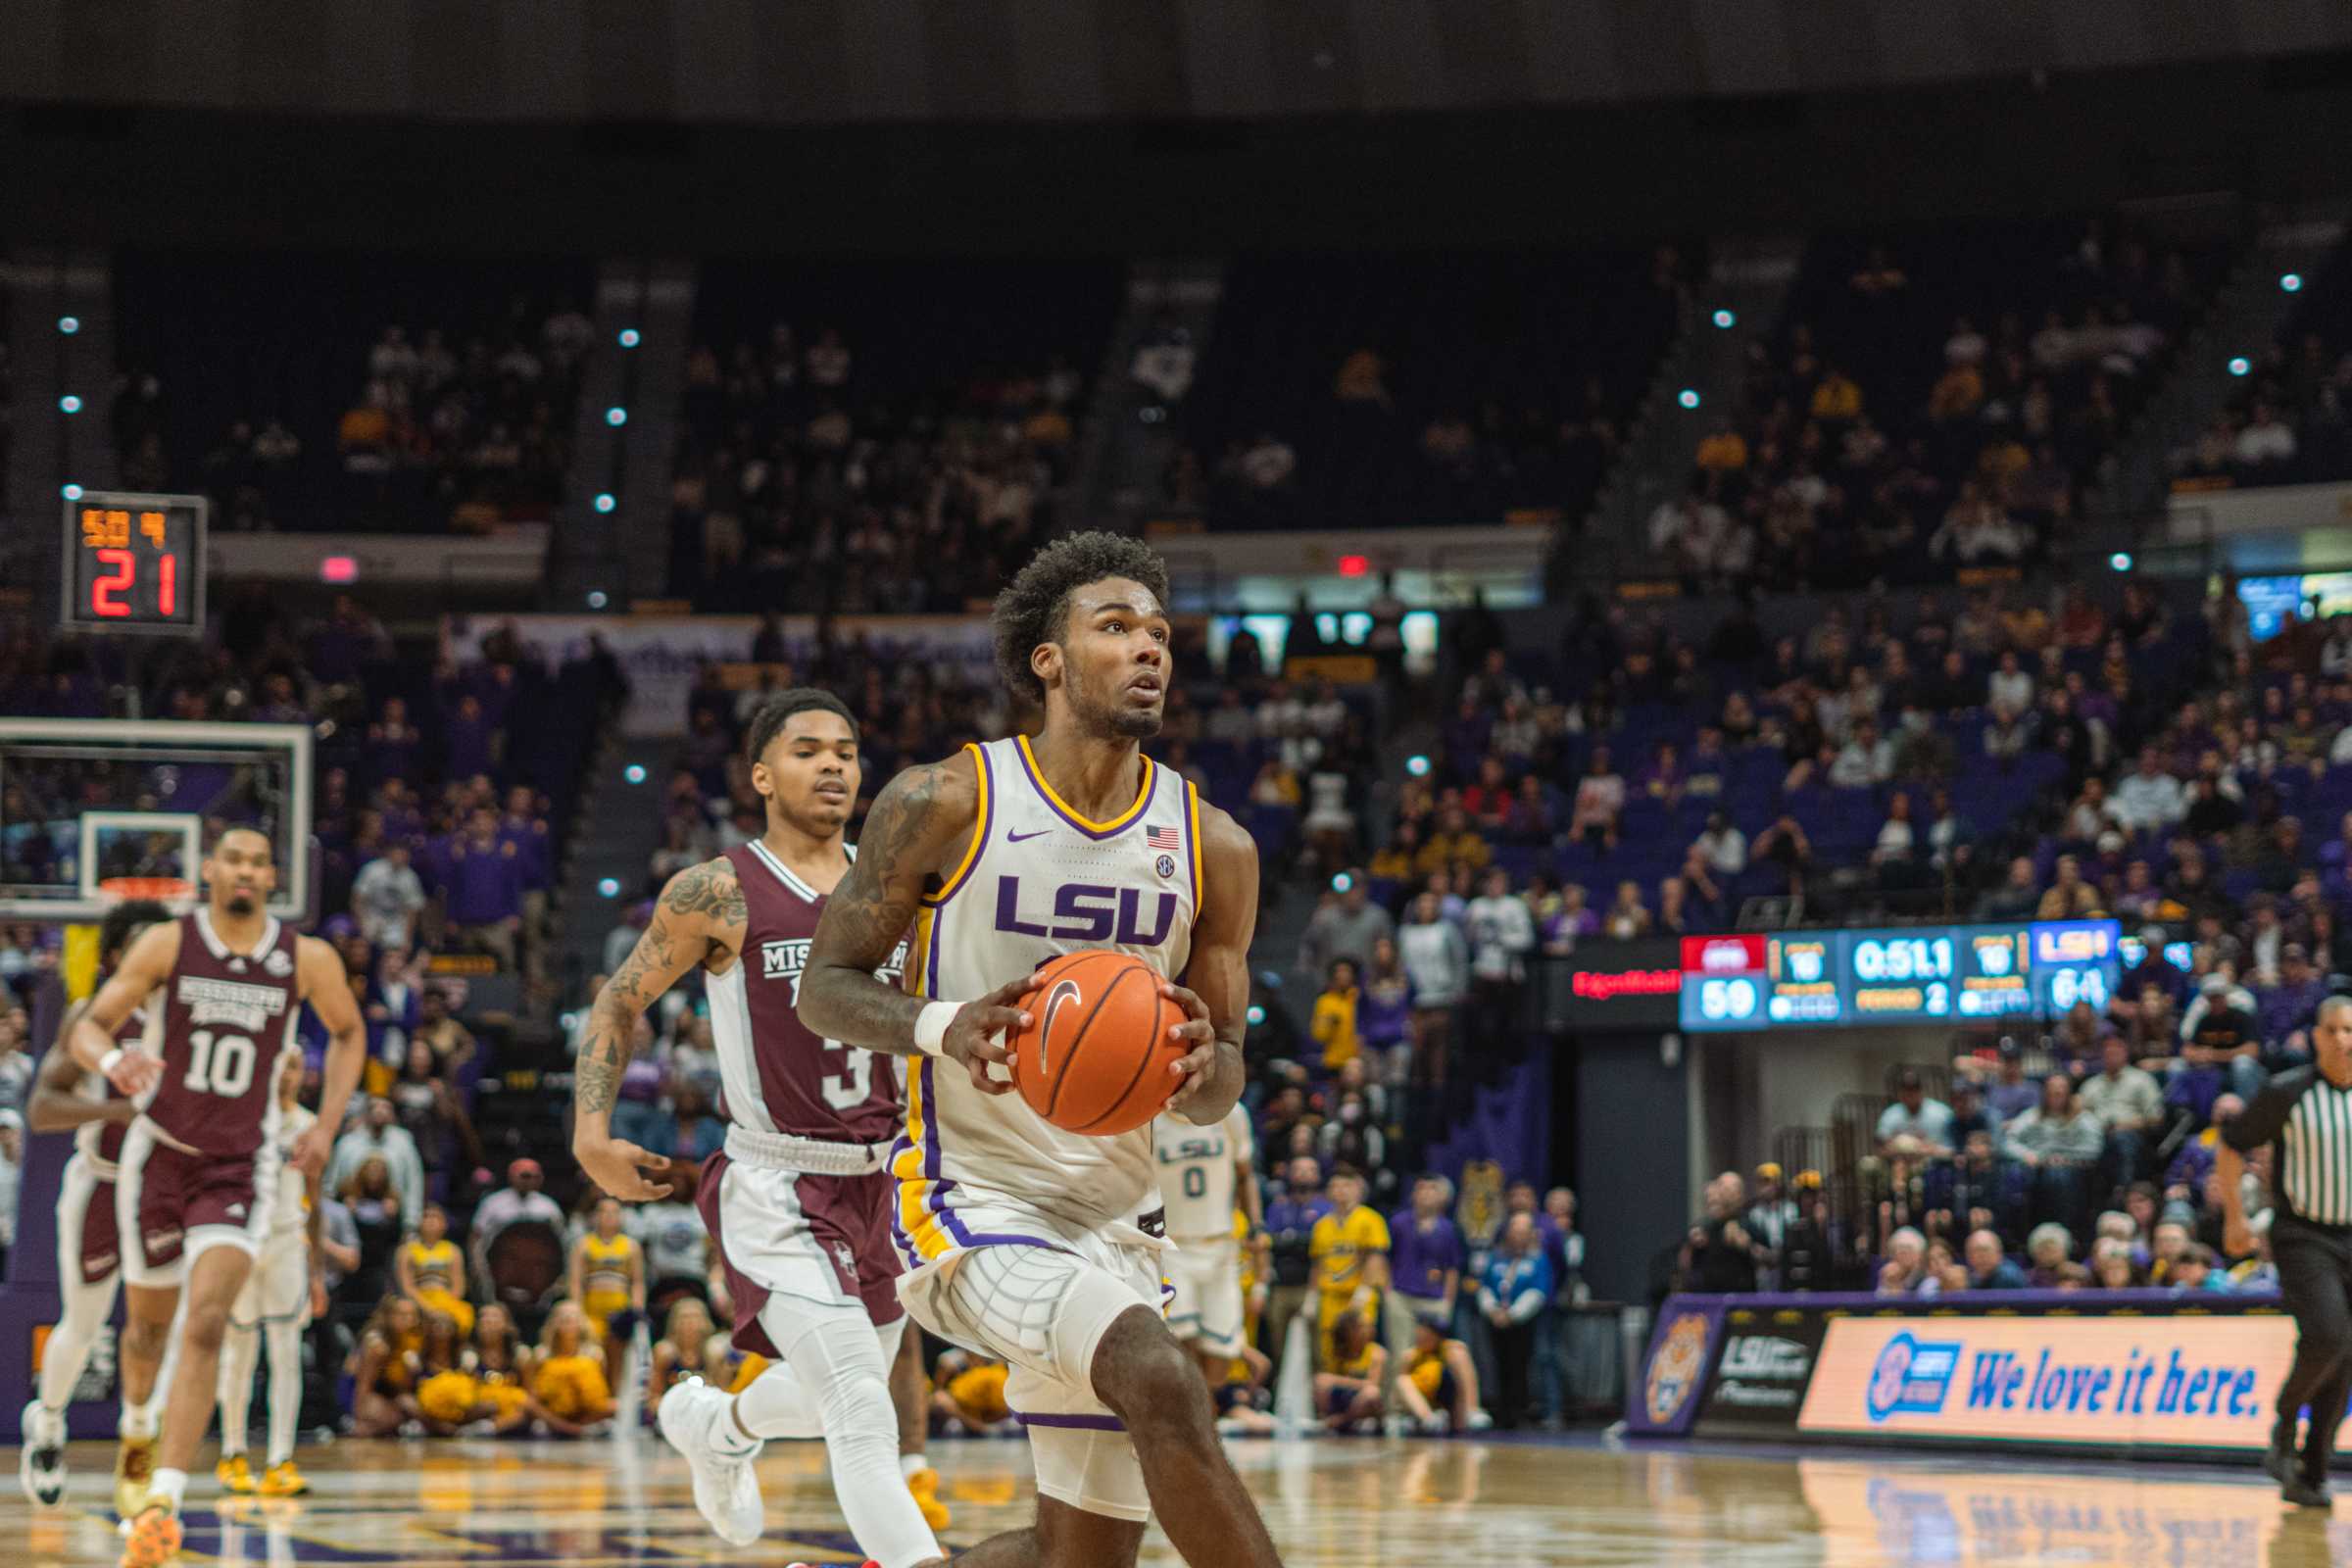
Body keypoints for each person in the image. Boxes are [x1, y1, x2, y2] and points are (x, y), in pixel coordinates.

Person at [794, 532, 1284, 1568]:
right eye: (1115, 628)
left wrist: (1205, 1067)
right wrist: (947, 1023)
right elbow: (823, 989)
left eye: (1158, 632)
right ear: (1047, 660)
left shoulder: (1215, 845)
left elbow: (1222, 1080)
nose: (1148, 648)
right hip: (971, 1200)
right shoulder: (946, 800)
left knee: (1082, 1562)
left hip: (1117, 1221)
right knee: (1159, 1375)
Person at [569, 687, 951, 1561]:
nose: (833, 766)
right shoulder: (717, 891)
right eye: (809, 750)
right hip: (778, 1183)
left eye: (847, 752)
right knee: (862, 1407)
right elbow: (619, 1004)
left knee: (832, 1393)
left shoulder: (897, 892)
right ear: (761, 776)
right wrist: (591, 1134)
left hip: (883, 1185)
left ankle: (720, 1425)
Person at [71, 829, 364, 1566]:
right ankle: (137, 1430)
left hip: (241, 1168)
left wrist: (325, 1127)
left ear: (273, 878)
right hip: (160, 1157)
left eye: (259, 862)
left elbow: (351, 1032)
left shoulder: (306, 959)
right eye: (233, 858)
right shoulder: (168, 944)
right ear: (208, 871)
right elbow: (89, 1027)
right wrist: (115, 1061)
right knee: (145, 1333)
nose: (245, 871)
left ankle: (165, 1501)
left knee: (205, 1325)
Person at [18, 901, 172, 1509]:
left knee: (162, 1327)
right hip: (102, 1183)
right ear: (113, 956)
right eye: (137, 945)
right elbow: (41, 1111)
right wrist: (119, 1110)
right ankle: (49, 1423)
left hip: (166, 1188)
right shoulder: (90, 1019)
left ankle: (145, 1447)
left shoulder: (186, 1015)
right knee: (82, 1326)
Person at [2221, 996, 2352, 1505]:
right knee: (2326, 1334)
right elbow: (2232, 1144)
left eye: (2349, 1029)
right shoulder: (2288, 1091)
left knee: (2345, 1361)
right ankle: (2283, 1422)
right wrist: (2235, 1215)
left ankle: (2312, 1471)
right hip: (2304, 1234)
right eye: (2333, 1029)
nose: (2342, 1038)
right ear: (2317, 1037)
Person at [213, 1053, 322, 1498]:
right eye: (279, 1064)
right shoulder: (241, 1118)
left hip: (286, 1242)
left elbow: (316, 1197)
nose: (286, 1074)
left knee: (286, 1353)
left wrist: (315, 1272)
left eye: (294, 1066)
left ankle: (280, 1459)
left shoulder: (311, 1126)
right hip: (244, 1238)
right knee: (238, 1352)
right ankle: (233, 1451)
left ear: (303, 1075)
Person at [1152, 1104, 1263, 1402]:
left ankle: (1203, 1411)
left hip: (1222, 1245)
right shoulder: (1149, 1117)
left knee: (1222, 1352)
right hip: (1173, 1245)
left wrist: (1256, 1224)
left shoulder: (1232, 1113)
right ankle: (1189, 1421)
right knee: (1181, 1344)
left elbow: (1245, 1173)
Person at [1309, 1168, 1392, 1368]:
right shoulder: (1321, 1225)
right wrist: (1312, 1295)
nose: (1341, 1190)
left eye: (1347, 1185)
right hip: (1330, 1294)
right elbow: (1318, 1263)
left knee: (1359, 1349)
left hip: (1357, 1296)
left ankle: (1361, 1391)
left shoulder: (1371, 1219)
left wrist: (1364, 1290)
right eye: (1335, 1186)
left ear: (1359, 1190)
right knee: (1330, 1351)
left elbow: (1375, 1258)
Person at [1480, 1211, 1553, 1430]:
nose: (1519, 1234)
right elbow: (1484, 1286)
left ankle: (1520, 1411)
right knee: (1499, 1365)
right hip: (1495, 1321)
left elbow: (1539, 1291)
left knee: (1522, 1366)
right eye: (1515, 1229)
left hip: (1524, 1323)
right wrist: (1493, 1310)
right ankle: (1502, 1413)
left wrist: (1513, 1314)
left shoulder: (1538, 1259)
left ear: (1531, 1234)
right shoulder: (1497, 1256)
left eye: (1524, 1230)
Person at [394, 1203, 473, 1335]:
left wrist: (443, 1307)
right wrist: (428, 1308)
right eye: (426, 1216)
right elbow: (407, 1287)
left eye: (435, 1217)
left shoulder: (453, 1251)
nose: (430, 1221)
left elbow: (458, 1286)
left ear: (444, 1224)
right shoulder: (406, 1251)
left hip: (446, 1301)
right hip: (418, 1301)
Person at [1395, 1318, 1484, 1434]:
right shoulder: (1411, 1356)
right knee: (1402, 1380)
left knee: (1459, 1353)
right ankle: (1428, 1419)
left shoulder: (1449, 1349)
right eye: (1419, 1335)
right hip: (1424, 1406)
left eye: (1426, 1336)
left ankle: (1472, 1410)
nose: (1421, 1338)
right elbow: (1399, 1395)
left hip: (1447, 1401)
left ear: (1437, 1336)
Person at [1312, 1310, 1386, 1433]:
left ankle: (1342, 1421)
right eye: (1363, 1326)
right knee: (1320, 1380)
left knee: (1371, 1393)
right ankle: (1326, 1419)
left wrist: (1338, 1380)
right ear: (1349, 1330)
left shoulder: (1377, 1353)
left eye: (1370, 1326)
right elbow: (1326, 1379)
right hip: (1342, 1397)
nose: (1369, 1330)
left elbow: (1372, 1384)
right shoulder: (1336, 1351)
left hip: (1363, 1403)